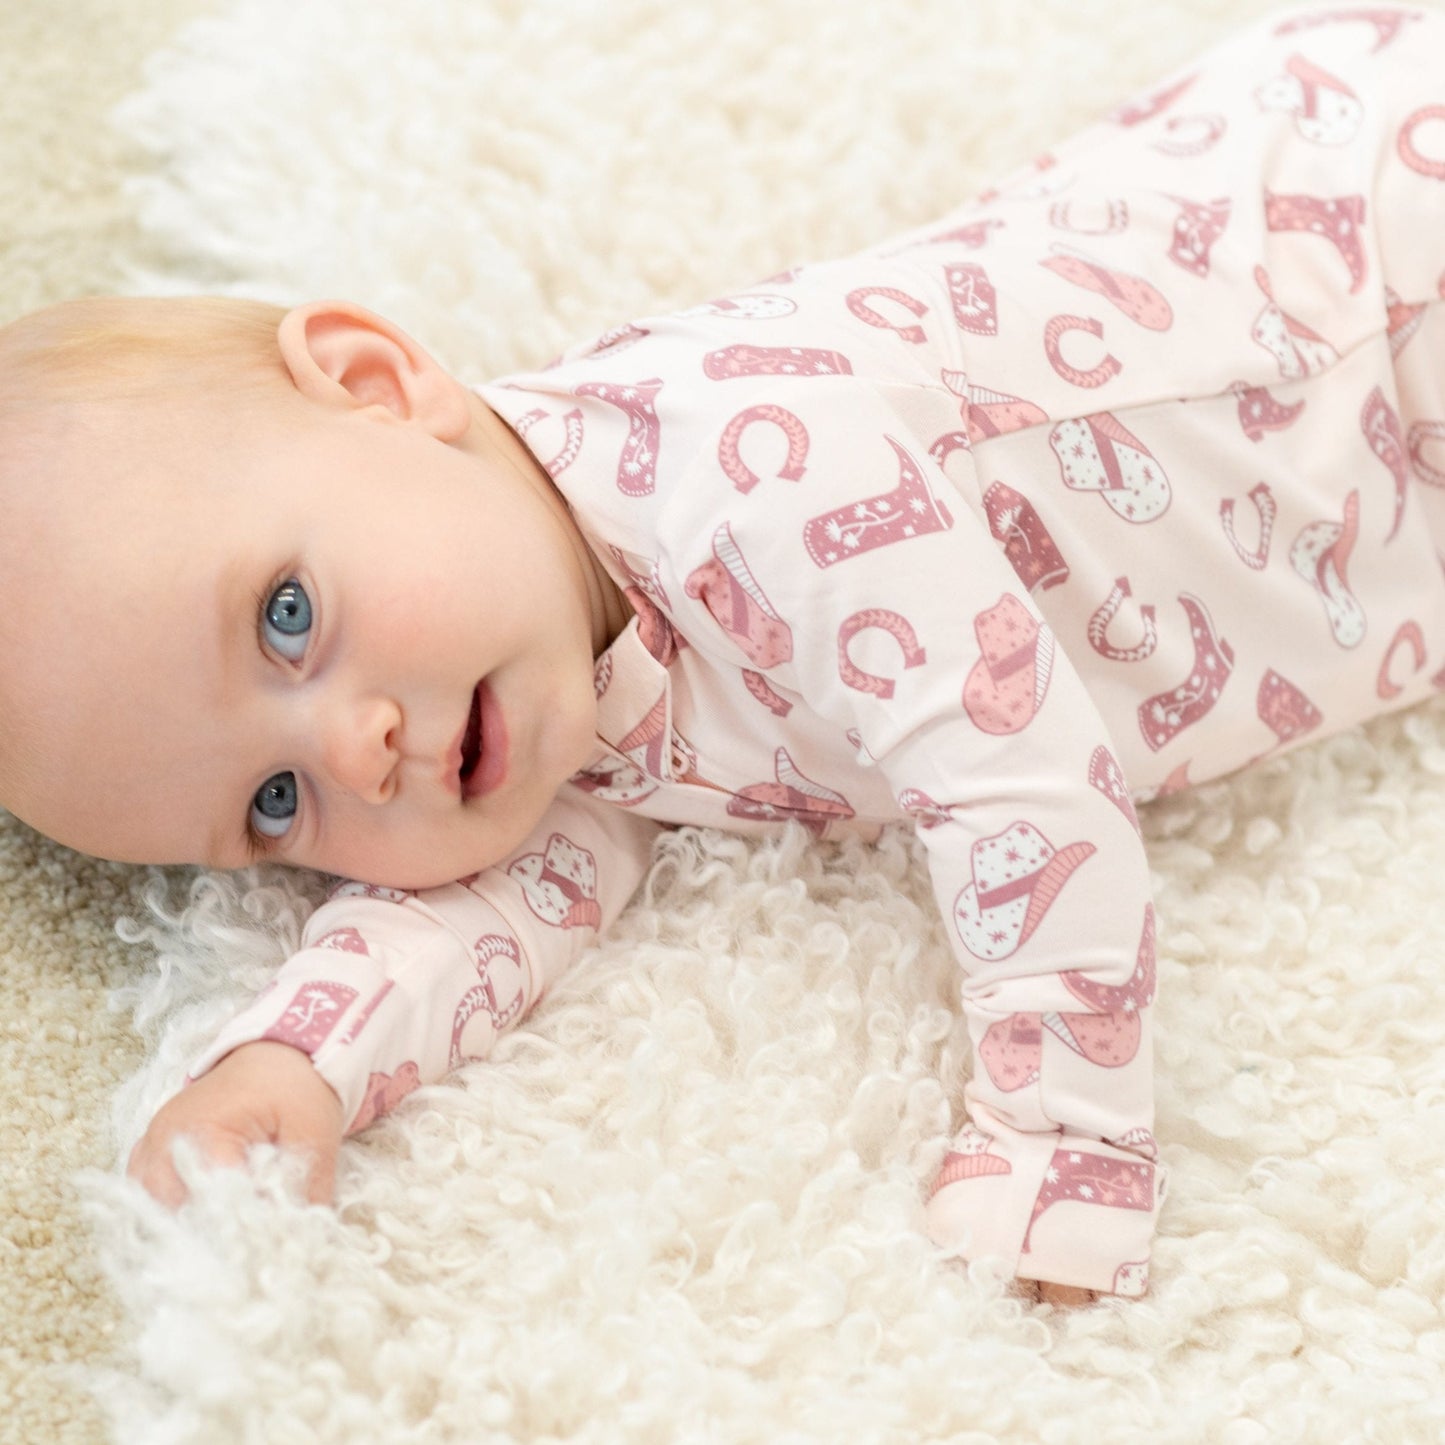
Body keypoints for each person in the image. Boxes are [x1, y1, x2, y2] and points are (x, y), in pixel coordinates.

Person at [2, 4, 1442, 1307]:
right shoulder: (545, 695)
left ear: (380, 386)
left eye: (288, 618)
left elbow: (1017, 774)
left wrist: (1059, 1129)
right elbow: (490, 905)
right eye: (271, 803)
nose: (350, 749)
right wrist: (296, 1059)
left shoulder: (759, 472)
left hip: (1369, 251)